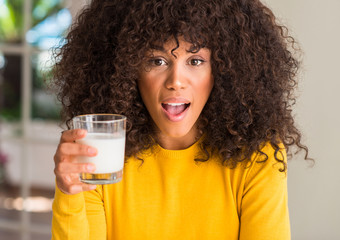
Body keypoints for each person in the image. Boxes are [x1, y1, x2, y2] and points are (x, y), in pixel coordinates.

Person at [50, 0, 310, 239]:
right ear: (128, 69)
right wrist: (69, 193)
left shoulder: (257, 156)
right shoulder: (102, 158)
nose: (176, 81)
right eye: (157, 60)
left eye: (195, 61)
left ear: (223, 70)